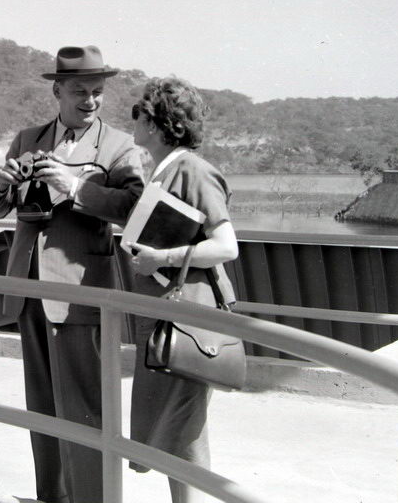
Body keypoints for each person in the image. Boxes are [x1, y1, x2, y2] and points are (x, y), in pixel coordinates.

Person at [0, 46, 144, 503]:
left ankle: (92, 498)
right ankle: (51, 496)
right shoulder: (27, 138)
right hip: (28, 289)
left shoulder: (119, 145)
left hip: (79, 292)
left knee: (85, 406)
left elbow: (134, 207)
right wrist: (2, 185)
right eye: (79, 91)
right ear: (57, 91)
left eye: (97, 92)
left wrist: (73, 187)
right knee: (42, 405)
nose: (90, 100)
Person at [122, 77, 239, 503]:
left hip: (185, 321)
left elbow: (226, 246)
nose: (133, 122)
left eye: (139, 114)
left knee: (184, 428)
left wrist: (161, 258)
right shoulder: (164, 170)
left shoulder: (192, 170)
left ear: (156, 124)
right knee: (178, 427)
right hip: (167, 317)